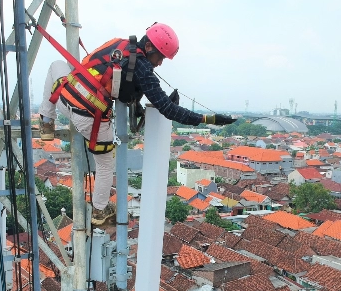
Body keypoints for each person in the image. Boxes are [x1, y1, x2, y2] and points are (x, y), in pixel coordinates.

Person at [38, 23, 236, 226]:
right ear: (149, 47)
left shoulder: (119, 44)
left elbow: (119, 81)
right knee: (106, 164)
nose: (159, 64)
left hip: (64, 97)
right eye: (159, 57)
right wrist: (206, 119)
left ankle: (46, 120)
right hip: (89, 116)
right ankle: (99, 210)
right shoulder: (142, 68)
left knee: (56, 64)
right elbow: (167, 108)